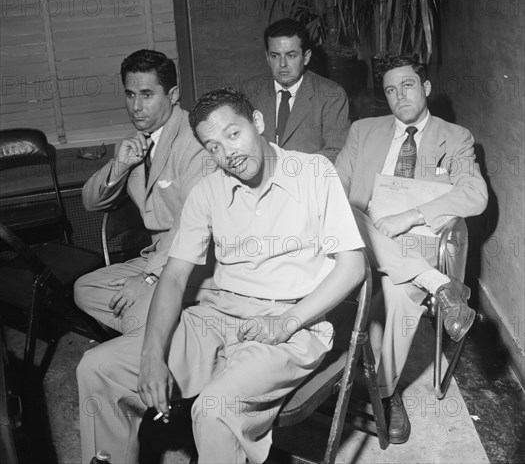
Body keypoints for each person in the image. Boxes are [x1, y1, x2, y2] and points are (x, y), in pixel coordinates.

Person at [77, 88, 366, 464]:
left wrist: (286, 322)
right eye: (213, 146)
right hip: (215, 315)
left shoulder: (313, 172)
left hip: (292, 325)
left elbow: (352, 266)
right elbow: (175, 276)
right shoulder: (208, 191)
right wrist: (151, 355)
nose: (227, 153)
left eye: (233, 134)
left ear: (257, 123)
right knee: (97, 367)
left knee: (212, 410)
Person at [336, 54, 488, 444]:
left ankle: (382, 392)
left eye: (407, 85)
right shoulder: (363, 131)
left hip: (415, 241)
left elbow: (474, 194)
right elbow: (336, 188)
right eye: (389, 89)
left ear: (426, 88)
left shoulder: (454, 138)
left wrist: (412, 216)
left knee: (399, 293)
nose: (398, 95)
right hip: (359, 237)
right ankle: (439, 285)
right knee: (347, 212)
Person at [74, 49, 214, 334]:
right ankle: (171, 332)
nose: (136, 106)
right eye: (130, 95)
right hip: (157, 254)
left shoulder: (197, 143)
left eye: (147, 94)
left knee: (135, 317)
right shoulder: (136, 140)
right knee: (84, 289)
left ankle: (153, 337)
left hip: (195, 260)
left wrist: (148, 278)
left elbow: (195, 227)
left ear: (173, 95)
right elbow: (90, 202)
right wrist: (120, 166)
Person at [251, 18, 350, 162]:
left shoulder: (332, 95)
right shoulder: (253, 94)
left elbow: (337, 152)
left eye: (291, 55)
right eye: (275, 56)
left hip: (309, 181)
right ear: (267, 58)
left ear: (306, 57)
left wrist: (290, 170)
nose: (282, 64)